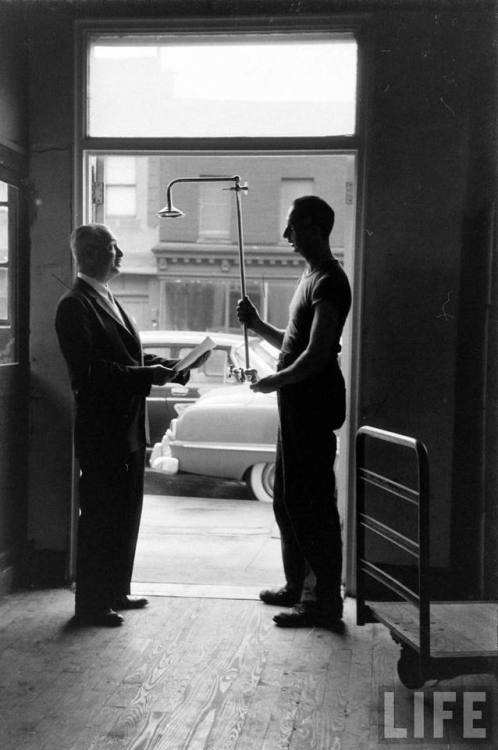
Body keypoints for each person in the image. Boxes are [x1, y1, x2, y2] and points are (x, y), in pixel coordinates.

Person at [55, 223, 208, 627]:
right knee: (101, 518)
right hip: (104, 433)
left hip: (126, 429)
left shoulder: (106, 298)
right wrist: (148, 377)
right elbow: (91, 373)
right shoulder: (74, 305)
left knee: (125, 514)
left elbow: (128, 359)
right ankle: (90, 604)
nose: (119, 253)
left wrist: (170, 368)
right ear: (88, 255)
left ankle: (116, 591)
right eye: (111, 247)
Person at [237, 196, 351, 630]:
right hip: (296, 409)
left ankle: (324, 603)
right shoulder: (312, 276)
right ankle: (296, 585)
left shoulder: (330, 281)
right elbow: (296, 342)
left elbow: (318, 354)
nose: (286, 236)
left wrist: (274, 381)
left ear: (313, 229)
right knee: (287, 501)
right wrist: (259, 326)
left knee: (313, 506)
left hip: (312, 408)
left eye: (292, 228)